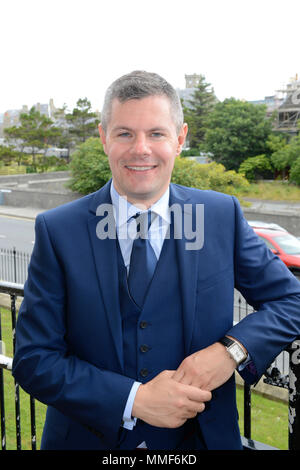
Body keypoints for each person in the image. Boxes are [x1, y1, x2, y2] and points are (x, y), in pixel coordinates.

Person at [12, 71, 300, 451]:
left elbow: (291, 300)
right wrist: (135, 400)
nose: (141, 149)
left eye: (157, 134)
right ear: (103, 138)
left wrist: (231, 350)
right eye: (125, 133)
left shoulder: (219, 215)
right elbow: (34, 359)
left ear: (180, 139)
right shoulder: (58, 229)